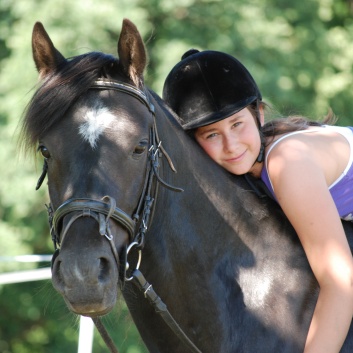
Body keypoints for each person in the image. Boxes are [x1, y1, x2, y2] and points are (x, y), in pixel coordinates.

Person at [162, 49, 353, 353]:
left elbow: (342, 282)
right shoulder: (255, 166)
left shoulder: (287, 163)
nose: (231, 145)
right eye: (211, 134)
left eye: (237, 124)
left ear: (259, 114)